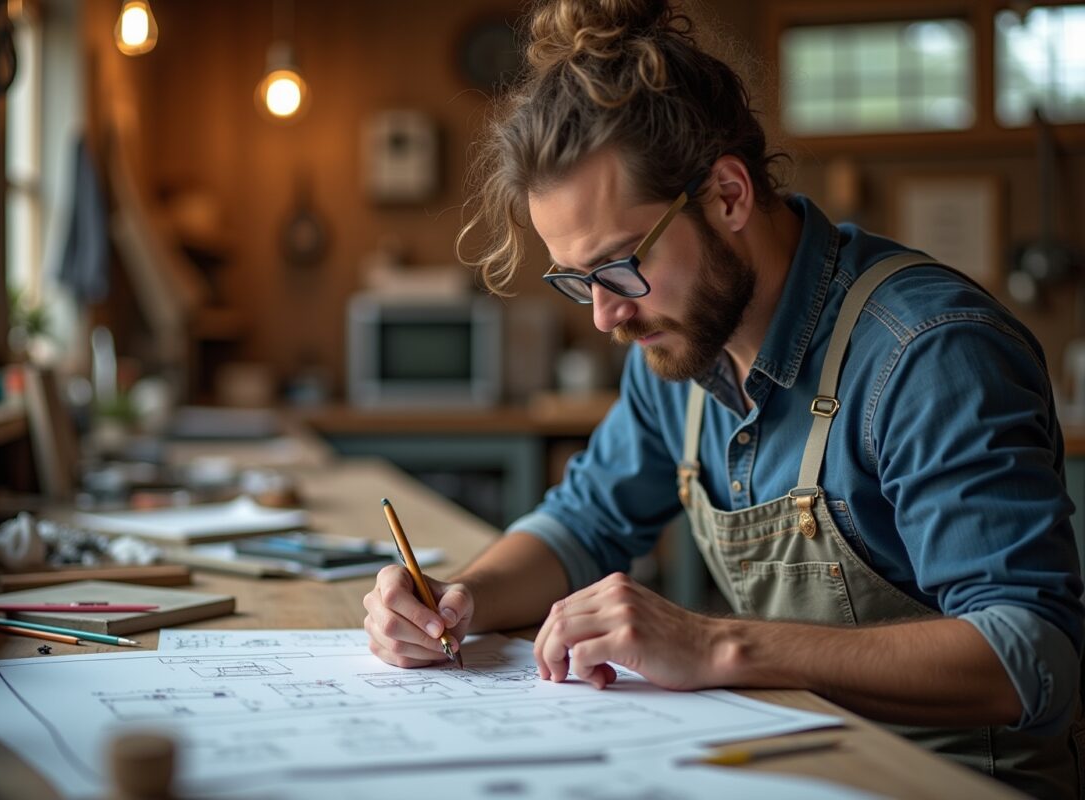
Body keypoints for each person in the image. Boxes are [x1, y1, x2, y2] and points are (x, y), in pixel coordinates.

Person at [362, 0, 1084, 794]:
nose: (606, 315)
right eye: (577, 282)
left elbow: (1030, 654)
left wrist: (718, 648)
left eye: (618, 267)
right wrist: (457, 601)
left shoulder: (928, 355)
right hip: (797, 768)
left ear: (729, 196)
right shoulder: (677, 348)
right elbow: (584, 524)